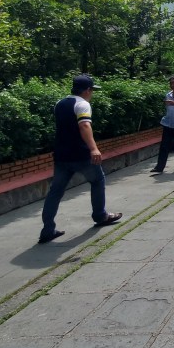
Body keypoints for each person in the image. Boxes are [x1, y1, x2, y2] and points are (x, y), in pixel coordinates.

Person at [38, 74, 122, 244]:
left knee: (55, 191)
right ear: (87, 90)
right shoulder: (82, 104)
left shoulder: (59, 104)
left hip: (62, 155)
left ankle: (47, 230)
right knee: (97, 181)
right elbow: (84, 125)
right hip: (81, 155)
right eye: (92, 90)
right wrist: (94, 149)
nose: (92, 94)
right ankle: (100, 216)